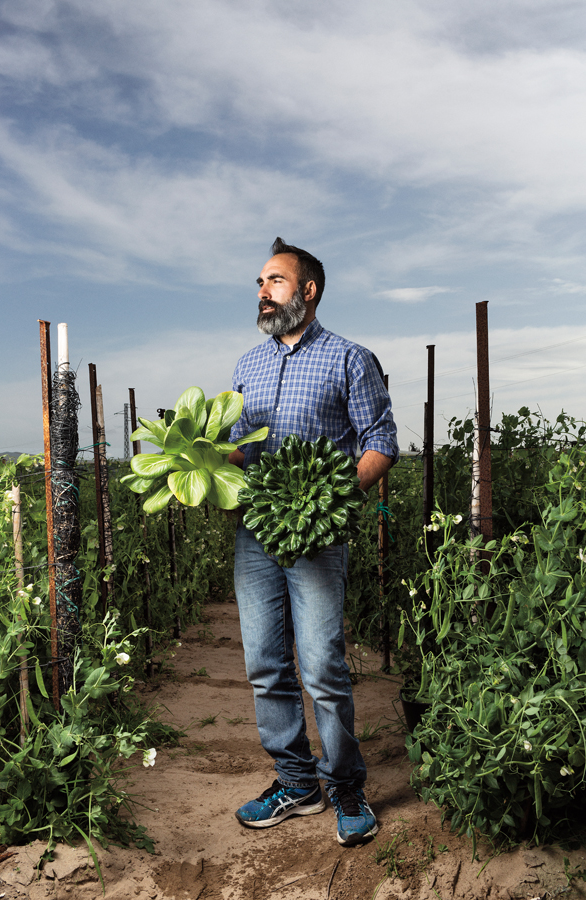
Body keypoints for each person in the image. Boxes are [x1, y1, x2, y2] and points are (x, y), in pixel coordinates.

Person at [228, 237, 399, 846]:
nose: (262, 291)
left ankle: (346, 785)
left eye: (274, 280)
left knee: (323, 665)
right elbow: (240, 448)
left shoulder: (350, 359)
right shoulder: (247, 365)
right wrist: (193, 457)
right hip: (255, 533)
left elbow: (381, 441)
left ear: (308, 290)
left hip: (318, 535)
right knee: (264, 664)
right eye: (259, 282)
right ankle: (296, 782)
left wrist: (327, 500)